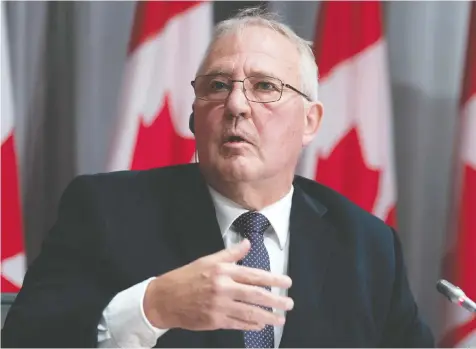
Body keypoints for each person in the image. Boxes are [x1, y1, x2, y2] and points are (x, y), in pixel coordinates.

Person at [2, 7, 434, 348]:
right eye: (217, 86)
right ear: (194, 116)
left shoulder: (368, 245)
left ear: (310, 121)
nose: (237, 105)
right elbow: (26, 341)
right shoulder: (105, 211)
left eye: (265, 86)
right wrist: (152, 307)